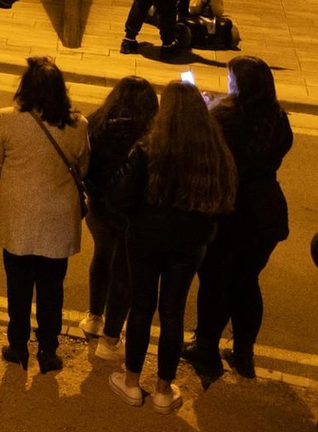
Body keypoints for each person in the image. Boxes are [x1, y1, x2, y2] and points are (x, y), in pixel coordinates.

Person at [110, 79, 237, 413]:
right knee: (172, 312)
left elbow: (121, 196)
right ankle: (164, 389)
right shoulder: (213, 151)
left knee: (141, 307)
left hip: (146, 239)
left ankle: (132, 382)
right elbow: (225, 197)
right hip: (190, 244)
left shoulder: (148, 147)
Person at [186, 54, 293, 381]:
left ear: (241, 86)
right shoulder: (278, 118)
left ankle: (205, 346)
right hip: (267, 214)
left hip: (231, 213)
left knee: (215, 282)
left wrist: (205, 109)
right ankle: (244, 351)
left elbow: (203, 148)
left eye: (231, 81)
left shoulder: (225, 119)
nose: (228, 87)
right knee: (246, 282)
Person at [0, 57, 87, 371]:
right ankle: (48, 349)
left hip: (19, 217)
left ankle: (17, 346)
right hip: (58, 220)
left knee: (17, 286)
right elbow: (82, 167)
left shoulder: (7, 118)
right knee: (52, 288)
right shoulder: (78, 124)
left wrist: (18, 179)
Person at [79, 75, 158, 353]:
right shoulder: (153, 133)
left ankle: (94, 317)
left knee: (102, 255)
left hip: (99, 205)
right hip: (133, 213)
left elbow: (83, 164)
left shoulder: (95, 124)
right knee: (123, 269)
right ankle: (111, 338)